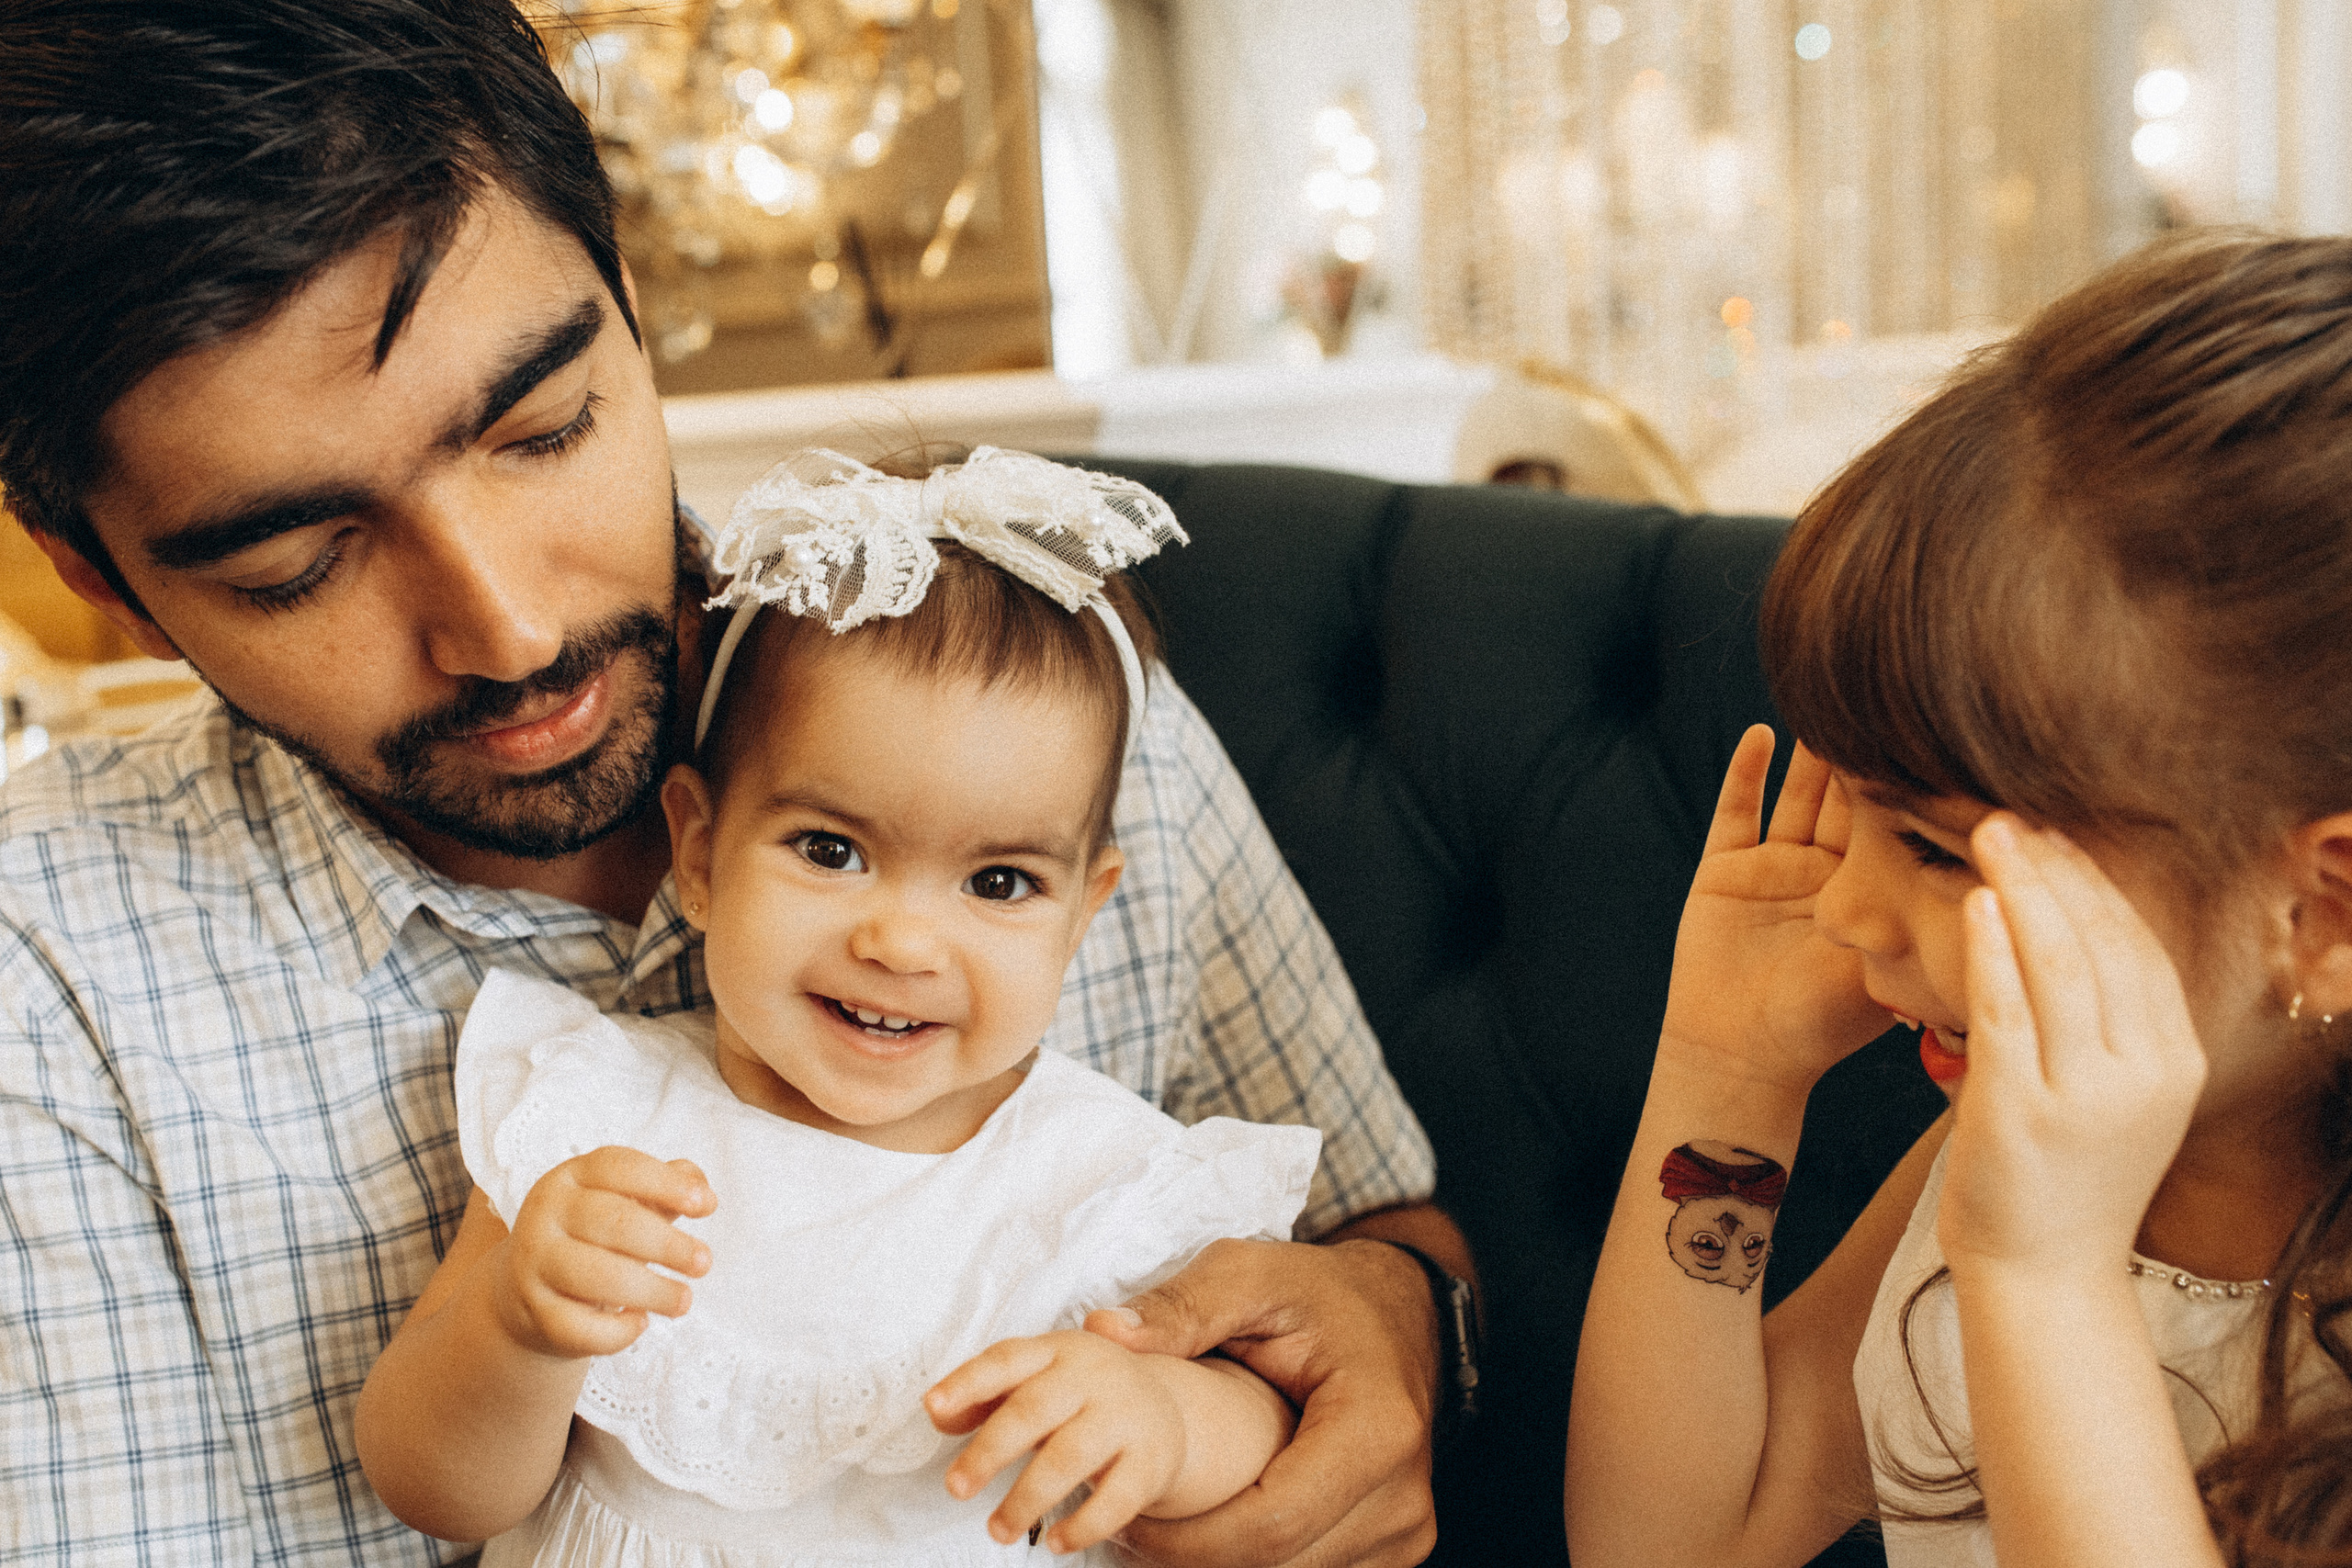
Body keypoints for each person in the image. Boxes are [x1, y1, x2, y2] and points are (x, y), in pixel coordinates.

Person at [0, 5, 1468, 1562]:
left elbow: (1383, 1232)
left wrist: (1393, 1327)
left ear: (629, 305)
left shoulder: (1051, 719)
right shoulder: (48, 982)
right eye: (302, 562)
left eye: (543, 431)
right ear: (105, 580)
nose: (511, 630)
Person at [358, 448, 1324, 1564]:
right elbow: (436, 1490)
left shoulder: (1106, 1188)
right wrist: (515, 1329)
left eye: (998, 881)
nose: (901, 944)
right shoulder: (596, 1125)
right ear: (701, 854)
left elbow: (1268, 1441)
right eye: (830, 851)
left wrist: (1170, 1420)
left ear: (1080, 914)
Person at [1565, 231, 2352, 1568]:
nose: (1845, 911)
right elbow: (1675, 1545)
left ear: (2322, 915)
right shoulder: (2001, 1157)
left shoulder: (2037, 1203)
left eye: (1934, 850)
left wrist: (2044, 1281)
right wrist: (1723, 1076)